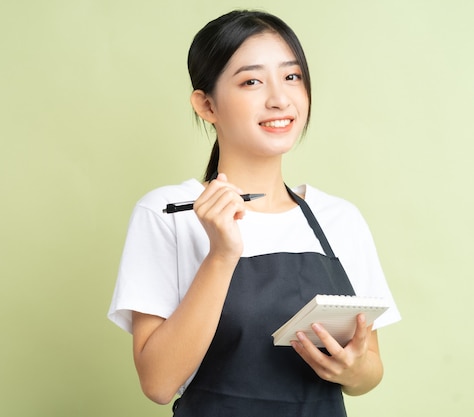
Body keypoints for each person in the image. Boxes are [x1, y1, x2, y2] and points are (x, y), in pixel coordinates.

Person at [108, 9, 400, 417]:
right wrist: (221, 255)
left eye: (292, 77)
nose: (280, 99)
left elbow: (370, 372)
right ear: (206, 105)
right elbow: (158, 384)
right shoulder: (167, 213)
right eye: (251, 81)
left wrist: (352, 370)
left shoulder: (340, 219)